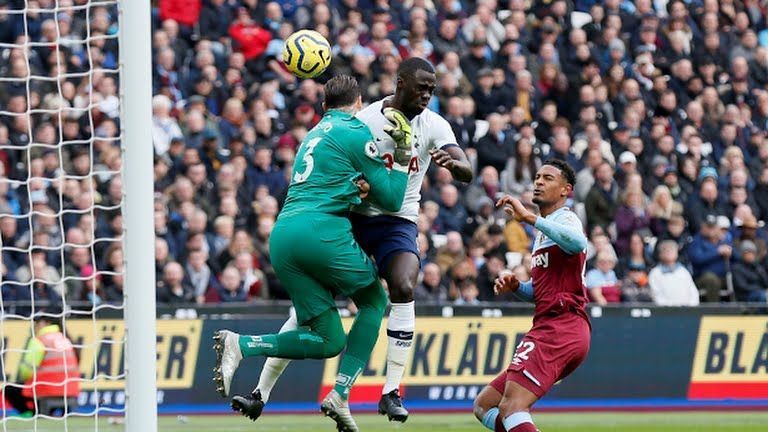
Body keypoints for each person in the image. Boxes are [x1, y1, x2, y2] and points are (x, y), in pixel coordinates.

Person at [244, 57, 473, 423]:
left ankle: (391, 391)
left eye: (432, 90)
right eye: (421, 87)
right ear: (400, 83)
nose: (427, 95)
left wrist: (453, 164)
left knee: (403, 283)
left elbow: (467, 170)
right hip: (353, 217)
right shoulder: (364, 119)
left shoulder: (435, 125)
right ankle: (261, 392)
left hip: (397, 221)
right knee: (311, 303)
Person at [212, 75, 412, 432]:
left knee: (329, 340)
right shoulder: (354, 131)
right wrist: (402, 155)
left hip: (284, 236)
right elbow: (394, 199)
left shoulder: (312, 135)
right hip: (321, 233)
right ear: (359, 103)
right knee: (373, 300)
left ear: (323, 107)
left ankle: (242, 345)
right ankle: (341, 391)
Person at [473, 160, 591, 432]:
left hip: (561, 327)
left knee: (512, 407)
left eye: (548, 178)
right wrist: (516, 286)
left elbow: (578, 243)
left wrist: (529, 218)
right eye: (537, 177)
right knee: (484, 406)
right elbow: (540, 293)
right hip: (553, 325)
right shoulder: (543, 233)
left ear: (565, 189)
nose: (538, 182)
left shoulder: (565, 218)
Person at [3, 313, 80, 416]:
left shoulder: (40, 340)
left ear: (46, 323)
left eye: (37, 323)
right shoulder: (65, 339)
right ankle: (43, 412)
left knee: (9, 389)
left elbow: (27, 371)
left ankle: (29, 414)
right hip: (71, 389)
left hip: (46, 389)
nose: (34, 326)